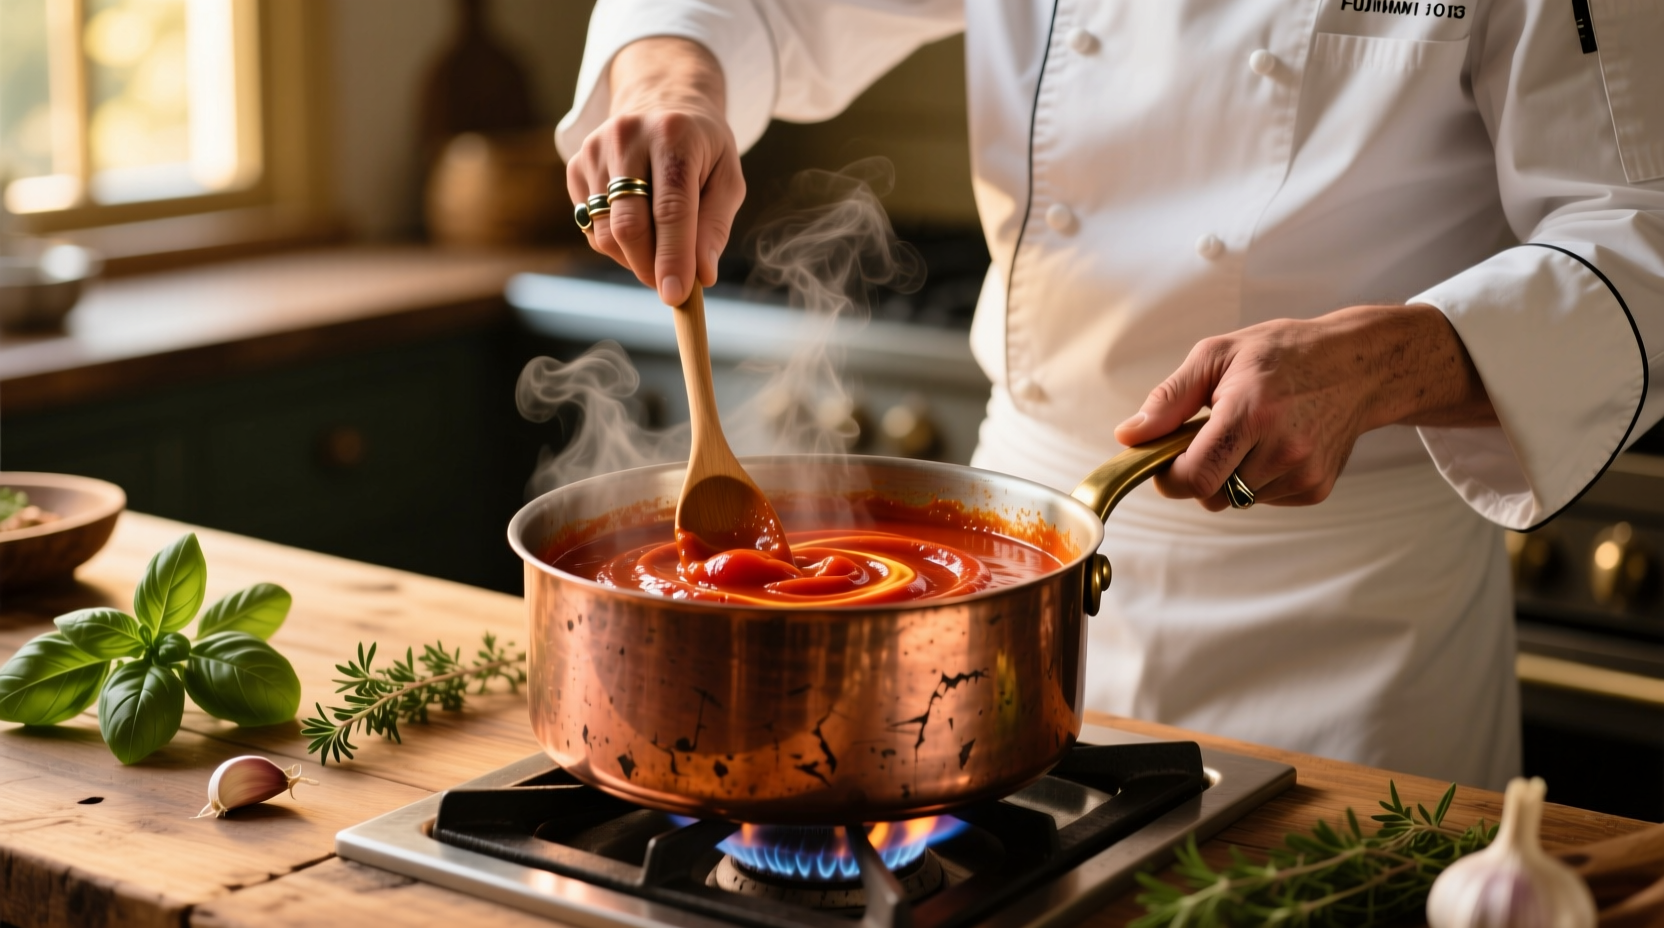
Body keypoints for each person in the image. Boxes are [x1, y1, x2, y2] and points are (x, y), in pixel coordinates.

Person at [555, 0, 1664, 789]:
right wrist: (670, 89)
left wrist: (1376, 362)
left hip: (1348, 624)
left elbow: (1638, 233)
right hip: (996, 577)